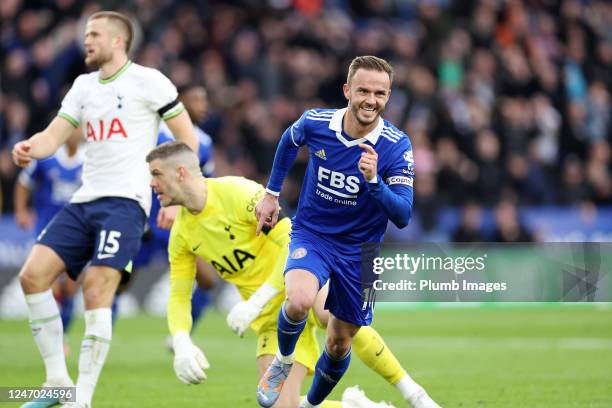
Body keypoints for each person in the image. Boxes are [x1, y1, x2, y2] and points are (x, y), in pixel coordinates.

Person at [147, 141, 435, 408]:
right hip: (270, 322)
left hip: (301, 281)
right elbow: (179, 294)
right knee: (280, 406)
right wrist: (182, 341)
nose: (151, 183)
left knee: (331, 314)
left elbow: (291, 243)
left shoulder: (237, 193)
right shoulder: (181, 235)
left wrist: (255, 301)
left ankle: (414, 393)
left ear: (181, 172)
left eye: (156, 174)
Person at [11, 11, 197, 408]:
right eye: (86, 34)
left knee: (96, 290)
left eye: (94, 34)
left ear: (118, 41)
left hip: (126, 202)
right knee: (32, 278)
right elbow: (52, 137)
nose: (86, 41)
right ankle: (57, 382)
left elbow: (187, 139)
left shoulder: (149, 81)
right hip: (84, 200)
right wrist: (30, 148)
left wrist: (179, 198)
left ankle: (84, 399)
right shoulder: (82, 86)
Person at [255, 56, 439, 408]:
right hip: (314, 234)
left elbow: (402, 214)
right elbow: (288, 141)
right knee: (299, 300)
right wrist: (271, 193)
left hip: (361, 251)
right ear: (347, 91)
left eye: (380, 93)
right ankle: (283, 360)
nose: (371, 99)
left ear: (388, 96)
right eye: (364, 91)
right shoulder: (316, 122)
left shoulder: (396, 146)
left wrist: (373, 182)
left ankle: (311, 406)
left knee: (340, 342)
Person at [14, 128, 84, 350]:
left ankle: (61, 334)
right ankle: (55, 340)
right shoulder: (47, 158)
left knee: (71, 289)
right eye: (72, 128)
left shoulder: (91, 159)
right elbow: (23, 183)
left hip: (80, 232)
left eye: (80, 128)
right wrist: (21, 211)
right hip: (48, 230)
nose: (76, 133)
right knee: (52, 287)